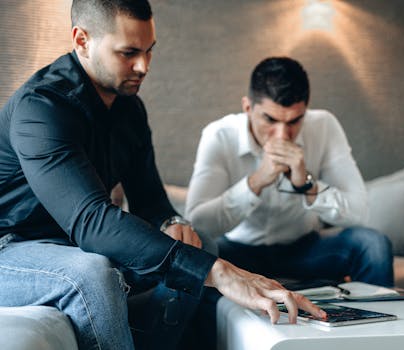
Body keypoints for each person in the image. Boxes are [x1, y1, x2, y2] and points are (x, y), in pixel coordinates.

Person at [0, 1, 324, 349]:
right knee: (92, 274)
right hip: (11, 248)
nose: (143, 66)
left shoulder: (129, 107)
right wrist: (219, 272)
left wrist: (171, 221)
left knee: (199, 242)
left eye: (149, 51)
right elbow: (91, 221)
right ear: (82, 40)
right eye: (128, 53)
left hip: (73, 245)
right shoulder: (41, 107)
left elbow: (150, 200)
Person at [186, 57, 394, 288]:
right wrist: (255, 182)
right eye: (270, 119)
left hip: (303, 250)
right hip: (236, 253)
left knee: (373, 245)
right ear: (247, 107)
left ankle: (379, 324)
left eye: (295, 121)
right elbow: (197, 223)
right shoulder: (219, 135)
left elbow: (359, 213)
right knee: (195, 250)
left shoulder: (324, 126)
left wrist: (307, 185)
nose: (282, 135)